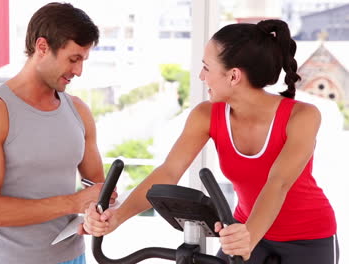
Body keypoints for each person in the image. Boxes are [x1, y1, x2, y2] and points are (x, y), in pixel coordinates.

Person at [83, 19, 339, 264]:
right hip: (245, 231)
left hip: (307, 237)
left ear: (233, 76)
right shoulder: (206, 115)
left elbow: (278, 182)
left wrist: (248, 238)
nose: (201, 77)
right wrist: (117, 217)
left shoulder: (302, 116)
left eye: (206, 68)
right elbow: (169, 171)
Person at [0, 3, 116, 264]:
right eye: (73, 59)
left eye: (83, 60)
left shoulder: (79, 110)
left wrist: (98, 211)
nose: (79, 71)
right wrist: (73, 202)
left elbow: (96, 191)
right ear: (42, 47)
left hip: (75, 256)